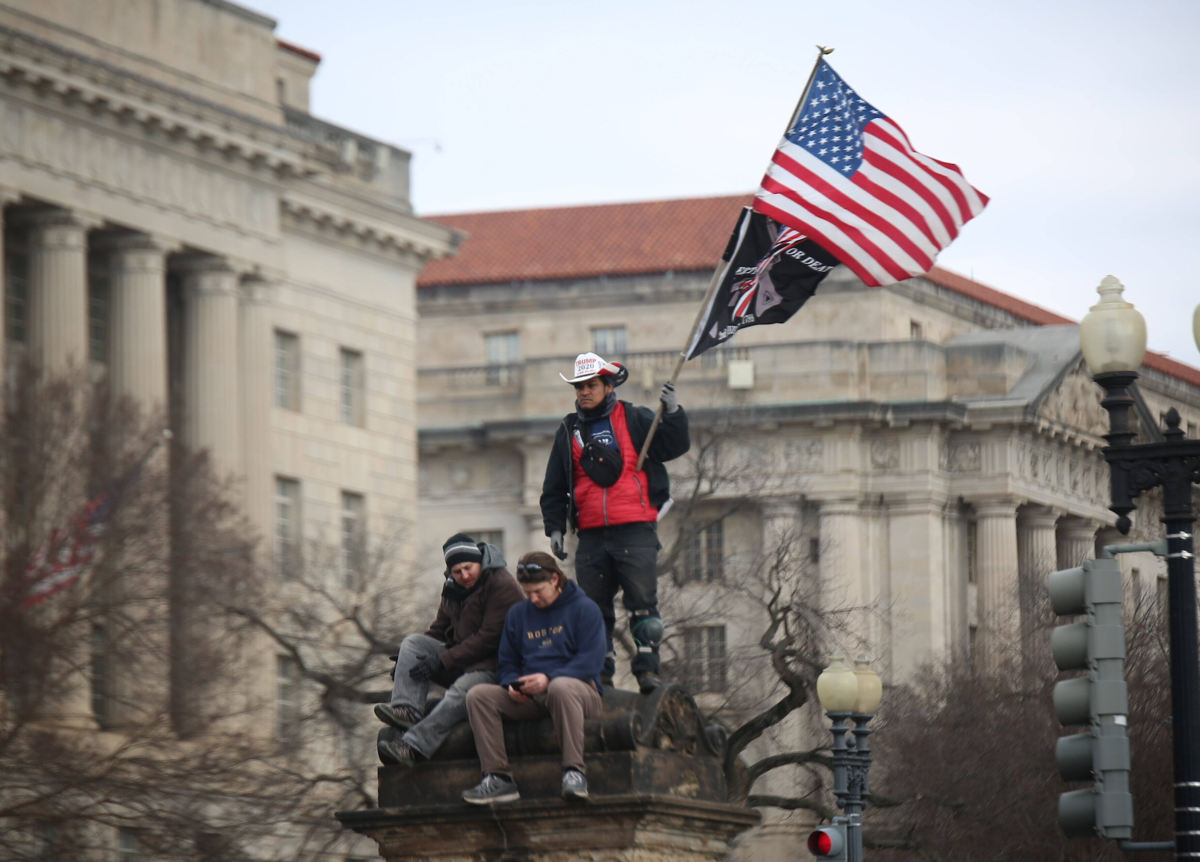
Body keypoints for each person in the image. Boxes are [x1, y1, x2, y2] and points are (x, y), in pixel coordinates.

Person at [540, 352, 690, 693]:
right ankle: (601, 670)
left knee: (642, 603)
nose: (584, 392)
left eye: (591, 385)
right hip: (591, 534)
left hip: (635, 528)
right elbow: (554, 486)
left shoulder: (635, 417)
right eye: (579, 387)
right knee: (593, 609)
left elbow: (673, 446)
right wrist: (555, 527)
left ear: (608, 387)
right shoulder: (568, 430)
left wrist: (674, 413)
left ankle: (648, 669)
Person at [461, 552, 606, 805]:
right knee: (478, 696)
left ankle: (574, 772)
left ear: (555, 580)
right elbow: (507, 662)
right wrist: (512, 685)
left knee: (560, 687)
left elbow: (591, 661)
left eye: (538, 591)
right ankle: (498, 777)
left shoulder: (585, 608)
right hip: (533, 695)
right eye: (527, 593)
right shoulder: (518, 614)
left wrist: (549, 678)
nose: (533, 599)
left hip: (579, 692)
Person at [375, 533, 524, 766]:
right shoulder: (452, 587)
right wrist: (406, 661)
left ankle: (412, 746)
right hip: (461, 661)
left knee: (460, 692)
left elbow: (489, 638)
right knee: (412, 644)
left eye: (468, 568)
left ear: (479, 561)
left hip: (494, 667)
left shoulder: (501, 584)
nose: (464, 575)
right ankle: (407, 710)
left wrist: (443, 660)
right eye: (457, 571)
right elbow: (438, 630)